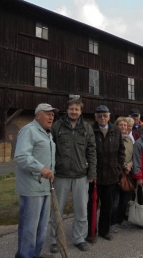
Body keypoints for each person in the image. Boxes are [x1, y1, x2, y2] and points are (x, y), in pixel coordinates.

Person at [49, 99, 96, 253]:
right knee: (57, 210)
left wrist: (92, 172)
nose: (74, 112)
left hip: (81, 175)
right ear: (67, 110)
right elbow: (50, 149)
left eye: (77, 109)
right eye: (71, 109)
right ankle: (55, 240)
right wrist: (51, 170)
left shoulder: (87, 128)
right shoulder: (57, 126)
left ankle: (79, 238)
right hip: (60, 174)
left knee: (82, 209)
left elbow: (91, 151)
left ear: (81, 111)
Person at [14, 103, 58, 258]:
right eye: (48, 114)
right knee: (29, 227)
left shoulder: (47, 133)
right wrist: (41, 168)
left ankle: (36, 255)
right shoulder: (29, 130)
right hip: (31, 187)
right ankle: (25, 256)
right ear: (38, 115)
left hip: (45, 186)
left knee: (41, 227)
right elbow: (21, 156)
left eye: (52, 114)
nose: (51, 117)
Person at [87, 105, 125, 241]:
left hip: (111, 175)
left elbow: (121, 151)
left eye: (105, 115)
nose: (102, 118)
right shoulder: (90, 129)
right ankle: (91, 232)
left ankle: (104, 230)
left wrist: (118, 168)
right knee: (91, 206)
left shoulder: (115, 130)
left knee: (107, 206)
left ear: (109, 116)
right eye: (99, 116)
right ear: (95, 117)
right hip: (94, 176)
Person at [111, 117, 134, 232]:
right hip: (117, 172)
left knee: (125, 199)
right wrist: (124, 166)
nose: (123, 127)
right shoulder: (113, 139)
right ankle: (113, 222)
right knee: (115, 200)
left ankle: (121, 219)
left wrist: (130, 165)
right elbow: (113, 156)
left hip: (127, 173)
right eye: (121, 125)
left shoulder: (129, 140)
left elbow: (132, 155)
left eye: (125, 125)